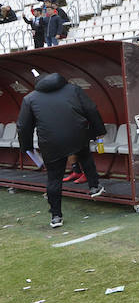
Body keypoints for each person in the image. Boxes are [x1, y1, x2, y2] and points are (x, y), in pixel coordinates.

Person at [17, 73, 107, 228]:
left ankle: (56, 216)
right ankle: (94, 186)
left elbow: (23, 126)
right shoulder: (73, 89)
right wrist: (98, 130)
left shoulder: (30, 99)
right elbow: (91, 109)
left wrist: (27, 147)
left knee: (53, 179)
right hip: (77, 134)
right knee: (84, 155)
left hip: (50, 142)